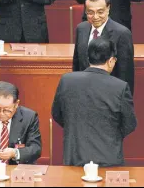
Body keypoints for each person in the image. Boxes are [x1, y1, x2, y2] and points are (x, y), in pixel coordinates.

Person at [52, 37, 137, 167]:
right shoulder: (120, 86)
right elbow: (130, 123)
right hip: (109, 158)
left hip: (74, 156)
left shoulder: (67, 80)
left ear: (88, 58)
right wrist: (110, 135)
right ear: (111, 61)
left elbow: (57, 114)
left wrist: (77, 128)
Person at [73, 0, 134, 95]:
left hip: (109, 97)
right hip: (84, 94)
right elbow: (77, 64)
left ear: (108, 9)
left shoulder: (122, 34)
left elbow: (125, 75)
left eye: (100, 12)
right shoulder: (81, 29)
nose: (95, 17)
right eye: (90, 12)